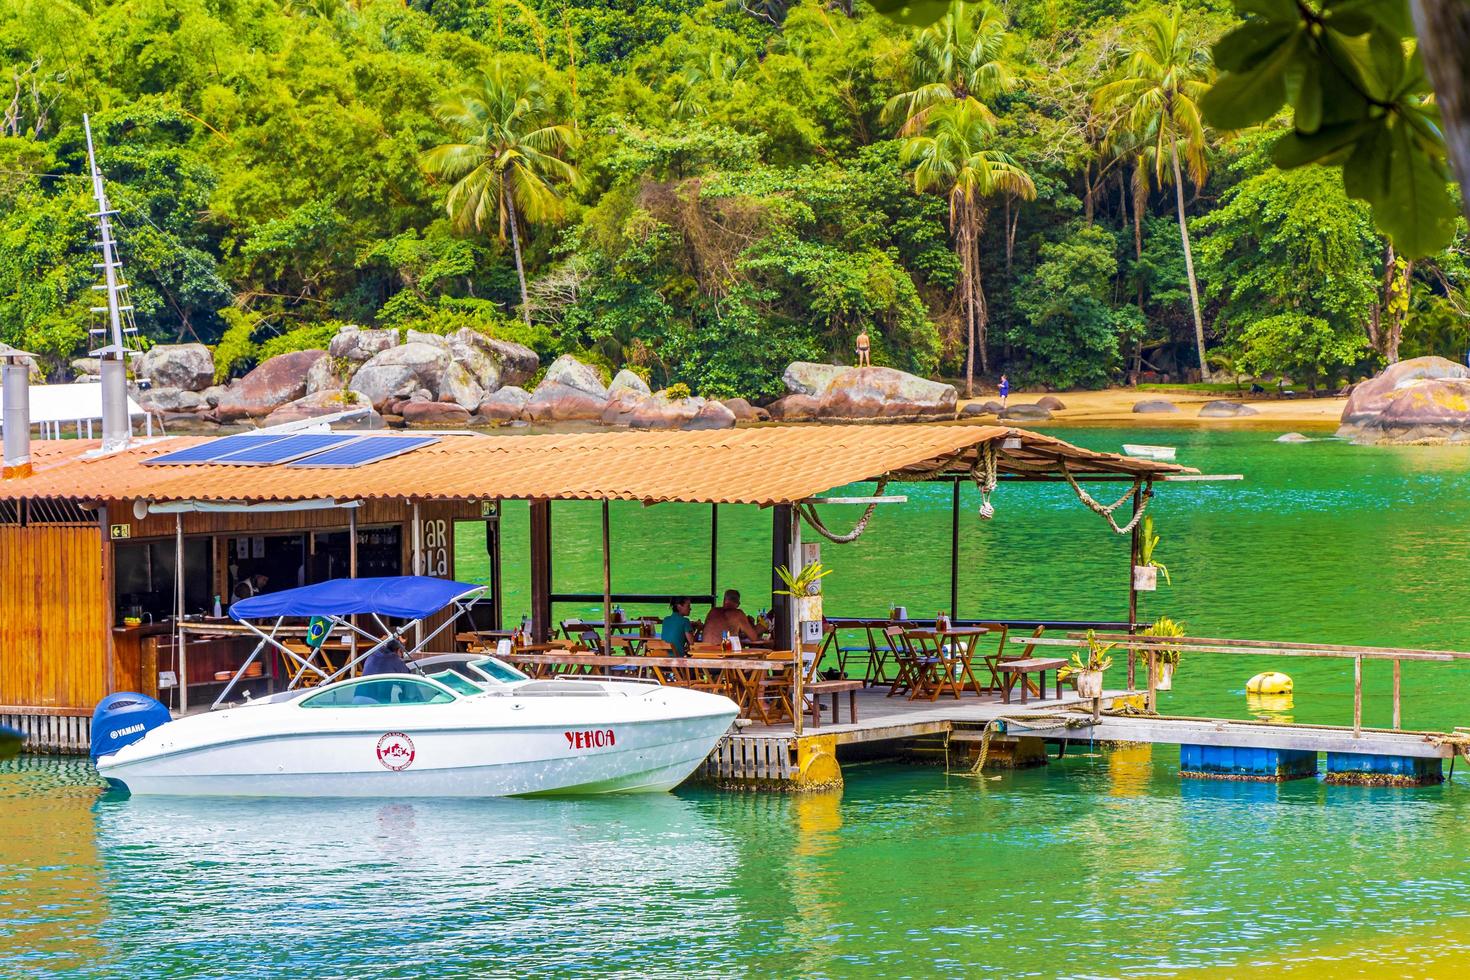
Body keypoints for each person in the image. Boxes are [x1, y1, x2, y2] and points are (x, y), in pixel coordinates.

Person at [702, 589, 767, 646]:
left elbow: (723, 630)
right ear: (738, 604)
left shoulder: (712, 612)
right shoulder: (738, 614)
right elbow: (753, 637)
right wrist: (763, 624)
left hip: (704, 654)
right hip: (722, 655)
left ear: (724, 600)